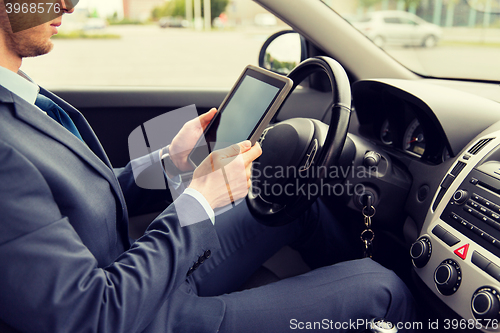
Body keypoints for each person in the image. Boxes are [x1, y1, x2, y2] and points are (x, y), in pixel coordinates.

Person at [0, 1, 417, 332]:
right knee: (382, 287)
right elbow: (94, 317)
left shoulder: (19, 94)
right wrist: (200, 199)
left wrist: (172, 161)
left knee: (292, 197)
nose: (69, 5)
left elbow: (78, 201)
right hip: (141, 315)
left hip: (143, 274)